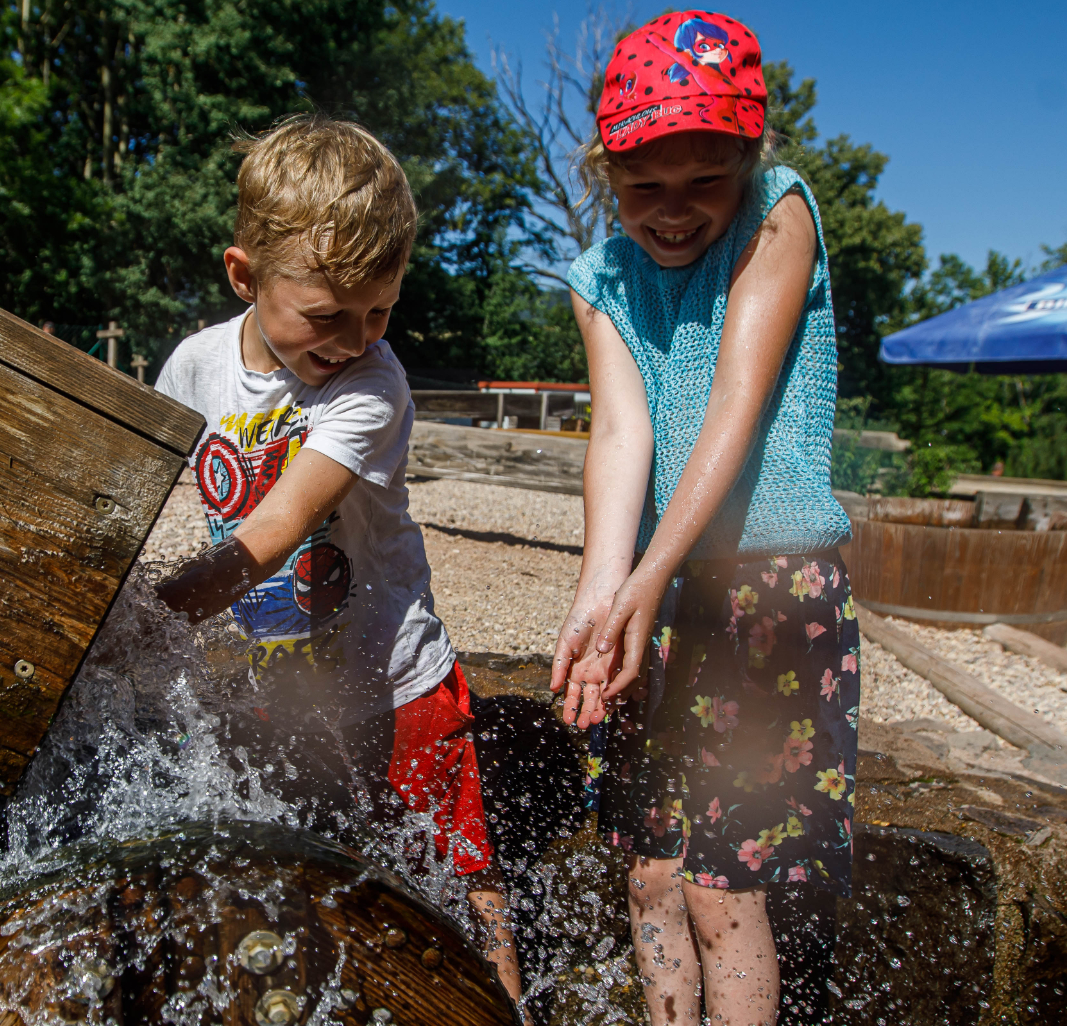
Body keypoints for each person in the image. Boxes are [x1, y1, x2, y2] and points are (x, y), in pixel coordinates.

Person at [152, 115, 524, 1008]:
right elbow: (149, 494)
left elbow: (278, 523)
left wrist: (154, 614)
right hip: (283, 679)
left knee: (462, 884)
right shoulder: (195, 367)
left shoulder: (372, 384)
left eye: (380, 310)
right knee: (309, 871)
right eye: (328, 315)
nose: (356, 336)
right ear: (245, 275)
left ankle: (502, 1002)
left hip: (398, 681)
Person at [550, 11, 860, 1026]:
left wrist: (645, 581)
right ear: (605, 174)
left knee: (721, 890)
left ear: (747, 160)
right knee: (649, 874)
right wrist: (604, 600)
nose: (672, 214)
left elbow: (734, 397)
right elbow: (618, 440)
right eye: (644, 189)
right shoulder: (599, 280)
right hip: (663, 593)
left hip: (769, 590)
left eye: (701, 184)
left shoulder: (779, 213)